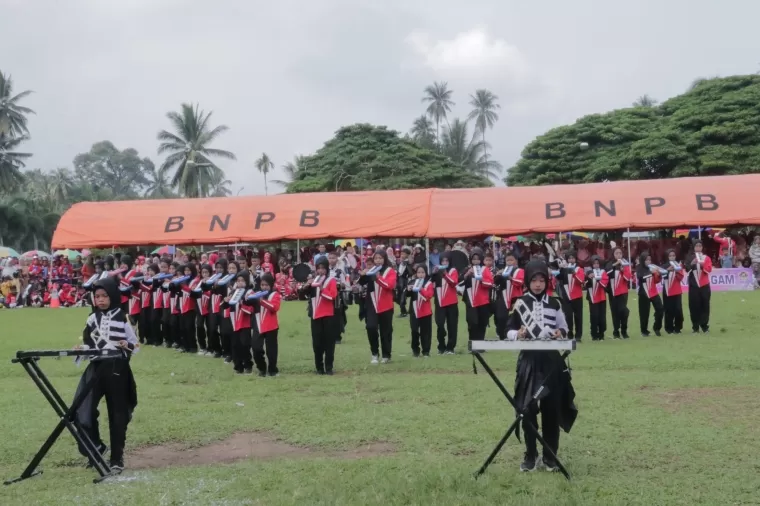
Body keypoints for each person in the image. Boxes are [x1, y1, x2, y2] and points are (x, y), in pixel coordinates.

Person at [506, 260, 577, 472]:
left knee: (551, 409)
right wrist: (517, 334)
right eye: (534, 280)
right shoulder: (520, 303)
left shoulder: (555, 303)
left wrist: (559, 333)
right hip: (529, 362)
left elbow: (564, 328)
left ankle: (550, 455)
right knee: (526, 409)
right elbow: (507, 329)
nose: (538, 284)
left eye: (542, 280)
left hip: (551, 363)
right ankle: (530, 454)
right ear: (528, 281)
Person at [74, 277, 138, 474]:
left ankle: (117, 458)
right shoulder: (91, 319)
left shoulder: (123, 316)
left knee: (117, 415)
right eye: (97, 296)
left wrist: (127, 346)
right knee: (82, 410)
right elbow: (88, 344)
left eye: (104, 296)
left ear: (113, 296)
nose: (100, 300)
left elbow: (134, 344)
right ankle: (96, 447)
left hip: (117, 370)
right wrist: (81, 349)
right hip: (96, 368)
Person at [358, 249, 397, 364]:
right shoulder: (372, 270)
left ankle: (386, 355)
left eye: (380, 258)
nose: (378, 260)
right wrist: (363, 275)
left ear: (384, 259)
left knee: (386, 331)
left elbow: (389, 286)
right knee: (370, 327)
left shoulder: (390, 271)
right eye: (376, 258)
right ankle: (374, 353)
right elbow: (361, 283)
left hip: (386, 305)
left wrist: (378, 278)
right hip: (372, 304)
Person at [305, 257, 339, 374]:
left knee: (329, 343)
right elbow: (304, 296)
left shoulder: (331, 280)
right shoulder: (313, 280)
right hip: (315, 316)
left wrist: (321, 288)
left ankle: (329, 368)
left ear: (327, 269)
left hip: (328, 316)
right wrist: (306, 286)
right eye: (318, 268)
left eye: (323, 268)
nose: (320, 271)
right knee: (317, 344)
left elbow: (332, 297)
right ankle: (319, 368)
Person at [248, 273, 281, 377]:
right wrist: (247, 297)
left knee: (271, 351)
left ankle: (272, 370)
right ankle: (262, 368)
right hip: (258, 324)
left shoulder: (275, 294)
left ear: (271, 285)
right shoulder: (256, 293)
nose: (264, 287)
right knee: (256, 348)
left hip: (271, 326)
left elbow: (274, 307)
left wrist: (261, 301)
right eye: (262, 285)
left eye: (266, 285)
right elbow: (247, 302)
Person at [463, 248, 494, 341]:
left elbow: (490, 284)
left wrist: (481, 280)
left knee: (482, 322)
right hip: (470, 301)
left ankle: (480, 343)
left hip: (483, 301)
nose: (475, 261)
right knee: (472, 323)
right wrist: (467, 274)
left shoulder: (485, 269)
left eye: (477, 258)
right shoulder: (467, 269)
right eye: (474, 259)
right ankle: (472, 343)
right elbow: (459, 282)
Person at [225, 273, 253, 374]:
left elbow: (251, 308)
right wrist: (226, 301)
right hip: (234, 322)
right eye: (238, 280)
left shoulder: (249, 292)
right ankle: (238, 366)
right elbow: (226, 307)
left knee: (245, 344)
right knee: (235, 345)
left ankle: (248, 364)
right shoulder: (233, 292)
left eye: (242, 280)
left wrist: (242, 303)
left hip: (245, 323)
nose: (240, 283)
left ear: (247, 281)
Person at [433, 251, 459, 355]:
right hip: (439, 301)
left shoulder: (453, 270)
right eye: (442, 261)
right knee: (440, 324)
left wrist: (445, 274)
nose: (444, 263)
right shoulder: (438, 271)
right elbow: (430, 282)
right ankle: (441, 346)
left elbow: (453, 283)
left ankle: (450, 347)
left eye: (446, 261)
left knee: (452, 325)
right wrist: (434, 273)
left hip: (451, 302)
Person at [493, 251, 524, 340]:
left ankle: (516, 334)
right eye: (507, 260)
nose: (509, 262)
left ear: (516, 261)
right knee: (501, 317)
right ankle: (502, 335)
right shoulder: (503, 270)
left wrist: (510, 278)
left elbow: (520, 282)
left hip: (516, 297)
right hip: (504, 297)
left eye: (511, 260)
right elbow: (495, 283)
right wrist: (498, 275)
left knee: (515, 318)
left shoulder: (520, 271)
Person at [407, 264, 434, 357]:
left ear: (426, 273)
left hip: (425, 311)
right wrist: (408, 290)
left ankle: (426, 351)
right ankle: (415, 350)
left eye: (423, 272)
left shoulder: (429, 283)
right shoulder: (412, 281)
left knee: (425, 332)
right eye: (419, 272)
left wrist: (420, 288)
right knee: (414, 331)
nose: (421, 274)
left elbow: (428, 296)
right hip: (414, 310)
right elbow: (406, 295)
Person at [686, 240, 712, 333]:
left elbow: (709, 269)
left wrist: (703, 264)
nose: (698, 248)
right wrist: (692, 263)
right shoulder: (689, 257)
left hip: (704, 286)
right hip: (693, 286)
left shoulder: (706, 258)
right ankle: (695, 327)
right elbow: (686, 269)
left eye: (700, 246)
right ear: (693, 247)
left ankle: (704, 326)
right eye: (696, 246)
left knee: (705, 306)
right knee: (694, 306)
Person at [558, 251, 585, 342]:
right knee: (568, 316)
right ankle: (569, 334)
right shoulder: (564, 269)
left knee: (578, 317)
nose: (571, 260)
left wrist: (574, 273)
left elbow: (581, 281)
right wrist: (560, 268)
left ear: (575, 259)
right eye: (569, 258)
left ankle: (578, 336)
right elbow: (558, 277)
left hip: (577, 296)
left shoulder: (579, 269)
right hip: (566, 295)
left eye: (573, 258)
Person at [606, 248, 631, 339]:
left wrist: (623, 269)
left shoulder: (625, 264)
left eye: (620, 253)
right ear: (613, 254)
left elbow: (628, 278)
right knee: (615, 312)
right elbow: (606, 272)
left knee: (624, 311)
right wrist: (615, 265)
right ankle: (616, 331)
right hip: (613, 292)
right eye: (616, 253)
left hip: (623, 292)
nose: (619, 255)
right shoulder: (610, 264)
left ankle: (624, 330)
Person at [636, 253, 664, 336]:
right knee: (644, 313)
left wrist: (658, 274)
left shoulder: (652, 267)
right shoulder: (640, 268)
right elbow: (640, 276)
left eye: (649, 259)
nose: (648, 261)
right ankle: (644, 331)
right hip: (644, 293)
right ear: (643, 260)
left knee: (660, 309)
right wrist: (651, 273)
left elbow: (656, 281)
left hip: (653, 292)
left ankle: (657, 327)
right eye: (646, 260)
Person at [327, 251, 349, 343]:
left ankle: (337, 336)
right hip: (326, 296)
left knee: (337, 316)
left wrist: (338, 285)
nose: (331, 260)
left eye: (333, 258)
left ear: (337, 259)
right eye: (330, 258)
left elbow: (345, 284)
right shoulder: (325, 270)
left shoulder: (339, 271)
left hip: (336, 297)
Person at [662, 249, 685, 334]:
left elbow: (680, 278)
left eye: (673, 255)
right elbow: (661, 276)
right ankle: (669, 328)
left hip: (677, 291)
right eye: (670, 256)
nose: (672, 257)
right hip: (667, 291)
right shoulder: (664, 266)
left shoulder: (678, 265)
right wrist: (668, 270)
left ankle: (678, 327)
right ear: (667, 257)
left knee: (678, 310)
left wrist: (676, 271)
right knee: (668, 310)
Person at [585, 256, 609, 341]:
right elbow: (585, 284)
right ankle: (594, 335)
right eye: (594, 263)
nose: (596, 265)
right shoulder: (589, 272)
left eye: (597, 263)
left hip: (602, 297)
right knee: (594, 316)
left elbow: (605, 283)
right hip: (592, 297)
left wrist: (599, 279)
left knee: (602, 317)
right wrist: (589, 277)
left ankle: (601, 334)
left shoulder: (603, 272)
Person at [396, 246, 412, 318]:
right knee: (399, 297)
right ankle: (405, 311)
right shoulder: (401, 262)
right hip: (400, 282)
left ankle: (404, 312)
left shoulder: (408, 263)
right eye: (401, 254)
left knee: (402, 298)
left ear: (407, 255)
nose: (402, 255)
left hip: (405, 283)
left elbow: (410, 273)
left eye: (403, 254)